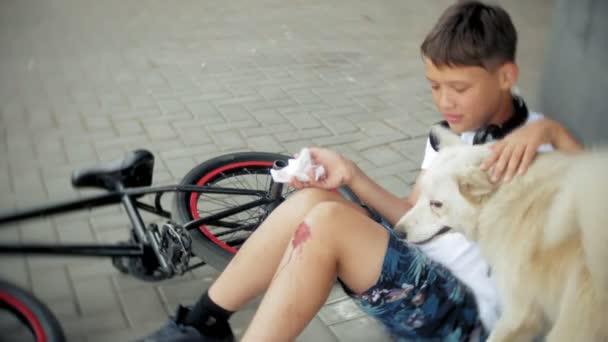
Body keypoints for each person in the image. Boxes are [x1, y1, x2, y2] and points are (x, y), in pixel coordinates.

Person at [139, 1, 582, 341]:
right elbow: (413, 214)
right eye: (434, 86)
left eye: (458, 88)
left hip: (470, 319)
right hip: (426, 277)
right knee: (314, 201)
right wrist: (350, 175)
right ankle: (201, 326)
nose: (444, 101)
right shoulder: (447, 133)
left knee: (328, 225)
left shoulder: (532, 142)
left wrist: (554, 133)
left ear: (506, 77)